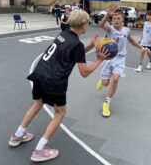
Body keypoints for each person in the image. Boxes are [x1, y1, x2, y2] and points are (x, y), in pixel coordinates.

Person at [8, 10, 109, 162]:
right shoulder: (76, 44)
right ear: (84, 25)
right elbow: (85, 72)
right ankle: (39, 150)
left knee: (38, 103)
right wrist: (99, 60)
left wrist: (90, 46)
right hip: (54, 81)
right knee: (60, 112)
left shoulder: (63, 34)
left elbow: (74, 53)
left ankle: (17, 135)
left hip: (40, 73)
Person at [96, 4, 143, 117]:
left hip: (120, 58)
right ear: (111, 20)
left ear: (123, 20)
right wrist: (108, 14)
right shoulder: (110, 28)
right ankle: (102, 81)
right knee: (106, 83)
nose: (116, 20)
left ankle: (107, 103)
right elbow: (101, 24)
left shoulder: (126, 30)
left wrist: (142, 47)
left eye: (118, 18)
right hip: (108, 58)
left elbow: (131, 41)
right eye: (114, 18)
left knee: (116, 78)